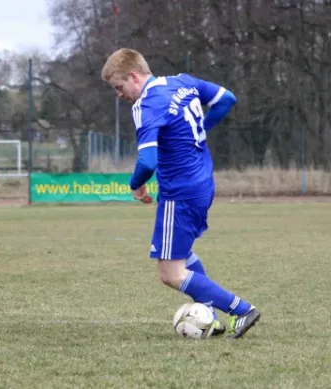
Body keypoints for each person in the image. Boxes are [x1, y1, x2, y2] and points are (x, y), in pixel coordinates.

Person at [101, 48, 260, 339]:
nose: (120, 95)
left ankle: (241, 309)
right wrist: (201, 128)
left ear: (133, 76)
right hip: (202, 183)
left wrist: (135, 184)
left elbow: (147, 162)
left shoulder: (146, 104)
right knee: (182, 254)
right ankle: (210, 314)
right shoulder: (182, 82)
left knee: (170, 273)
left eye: (119, 87)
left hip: (180, 191)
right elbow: (227, 100)